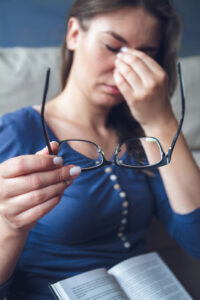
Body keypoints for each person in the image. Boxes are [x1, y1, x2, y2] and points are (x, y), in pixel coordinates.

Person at [0, 0, 200, 299]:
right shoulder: (15, 134)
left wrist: (161, 121)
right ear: (74, 34)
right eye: (112, 46)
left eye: (145, 56)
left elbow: (196, 239)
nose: (124, 69)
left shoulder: (141, 141)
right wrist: (8, 226)